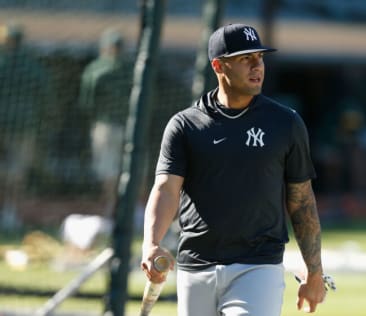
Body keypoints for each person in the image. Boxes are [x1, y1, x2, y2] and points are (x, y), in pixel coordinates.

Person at [141, 23, 326, 316]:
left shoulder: (286, 123)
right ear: (218, 66)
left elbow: (302, 200)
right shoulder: (184, 125)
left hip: (257, 266)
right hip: (195, 266)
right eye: (245, 59)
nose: (257, 66)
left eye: (260, 58)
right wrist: (151, 244)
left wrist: (314, 273)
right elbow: (166, 189)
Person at [0, 23, 51, 231]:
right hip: (25, 126)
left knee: (9, 170)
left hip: (3, 125)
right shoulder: (33, 66)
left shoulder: (2, 62)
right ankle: (11, 211)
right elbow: (46, 96)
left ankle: (7, 210)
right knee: (18, 170)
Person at [78, 28, 132, 216]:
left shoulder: (96, 69)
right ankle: (128, 208)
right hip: (130, 126)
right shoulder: (132, 68)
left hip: (105, 125)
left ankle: (111, 207)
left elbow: (86, 102)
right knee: (128, 167)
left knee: (107, 169)